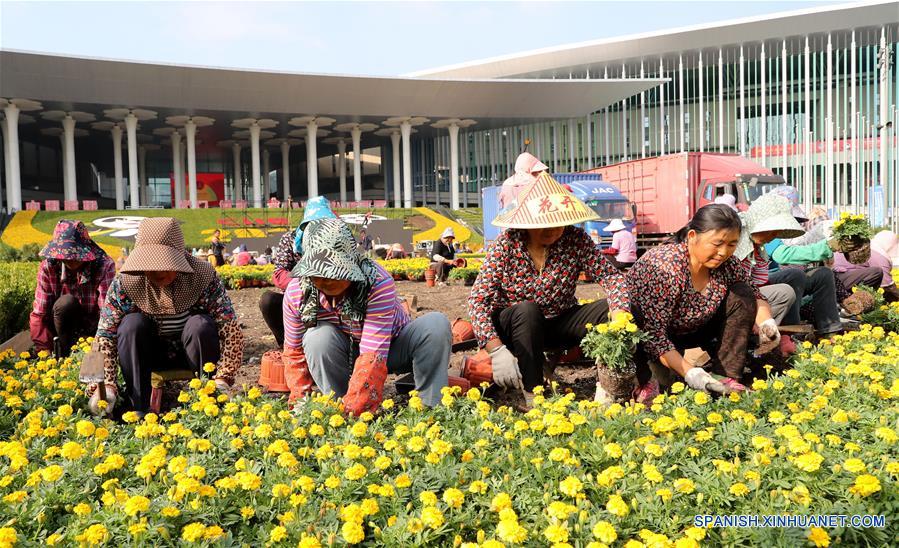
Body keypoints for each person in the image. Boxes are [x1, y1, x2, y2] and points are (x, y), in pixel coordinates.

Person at [468, 172, 630, 406]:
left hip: (558, 321)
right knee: (527, 310)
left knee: (616, 308)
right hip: (516, 326)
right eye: (545, 225)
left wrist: (619, 311)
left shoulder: (576, 239)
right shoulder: (508, 244)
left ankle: (612, 386)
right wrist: (494, 348)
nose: (554, 230)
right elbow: (478, 299)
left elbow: (611, 277)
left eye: (560, 224)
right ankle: (534, 394)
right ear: (527, 222)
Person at [282, 218, 450, 413]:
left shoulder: (377, 281)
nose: (328, 281)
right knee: (316, 337)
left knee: (435, 325)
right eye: (319, 273)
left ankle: (431, 409)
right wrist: (301, 409)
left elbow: (373, 355)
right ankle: (336, 407)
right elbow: (294, 353)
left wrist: (358, 410)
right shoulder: (297, 292)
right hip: (343, 353)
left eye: (335, 271)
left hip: (391, 347)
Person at [91, 218, 243, 417]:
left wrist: (224, 377)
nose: (158, 271)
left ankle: (209, 402)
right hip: (146, 357)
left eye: (164, 263)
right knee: (131, 325)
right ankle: (138, 406)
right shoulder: (126, 283)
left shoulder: (202, 276)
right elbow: (105, 336)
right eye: (151, 264)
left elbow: (229, 328)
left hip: (192, 354)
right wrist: (105, 387)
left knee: (200, 325)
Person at [628, 204, 780, 397]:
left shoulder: (727, 264)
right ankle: (644, 378)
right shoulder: (666, 267)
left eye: (732, 245)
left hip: (695, 329)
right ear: (692, 236)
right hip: (652, 340)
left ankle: (725, 375)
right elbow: (654, 335)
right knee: (662, 392)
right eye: (717, 244)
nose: (724, 252)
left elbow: (754, 293)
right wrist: (691, 372)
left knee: (742, 293)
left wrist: (767, 322)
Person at [761, 186, 845, 337]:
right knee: (794, 275)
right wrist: (826, 247)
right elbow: (783, 255)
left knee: (823, 274)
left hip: (776, 278)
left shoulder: (789, 235)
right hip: (763, 283)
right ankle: (793, 332)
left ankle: (831, 330)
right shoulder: (764, 230)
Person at [30, 220, 116, 357]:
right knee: (66, 303)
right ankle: (64, 354)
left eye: (75, 255)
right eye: (66, 255)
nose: (71, 259)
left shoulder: (103, 265)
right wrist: (44, 349)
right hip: (62, 326)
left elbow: (107, 311)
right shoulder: (48, 267)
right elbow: (40, 313)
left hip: (94, 326)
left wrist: (103, 346)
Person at [259, 196, 336, 347]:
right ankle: (287, 344)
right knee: (268, 300)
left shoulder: (335, 238)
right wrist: (306, 283)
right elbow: (279, 273)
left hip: (331, 298)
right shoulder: (290, 238)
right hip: (297, 298)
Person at [732, 193, 806, 326]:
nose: (772, 237)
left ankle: (789, 329)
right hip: (733, 293)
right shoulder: (736, 239)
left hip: (750, 289)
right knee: (784, 292)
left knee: (796, 275)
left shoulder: (759, 247)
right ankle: (759, 333)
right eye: (770, 231)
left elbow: (758, 283)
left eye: (776, 232)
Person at [833, 230, 899, 302]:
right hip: (838, 279)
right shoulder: (879, 256)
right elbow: (888, 286)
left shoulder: (869, 247)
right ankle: (855, 303)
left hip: (839, 277)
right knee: (876, 273)